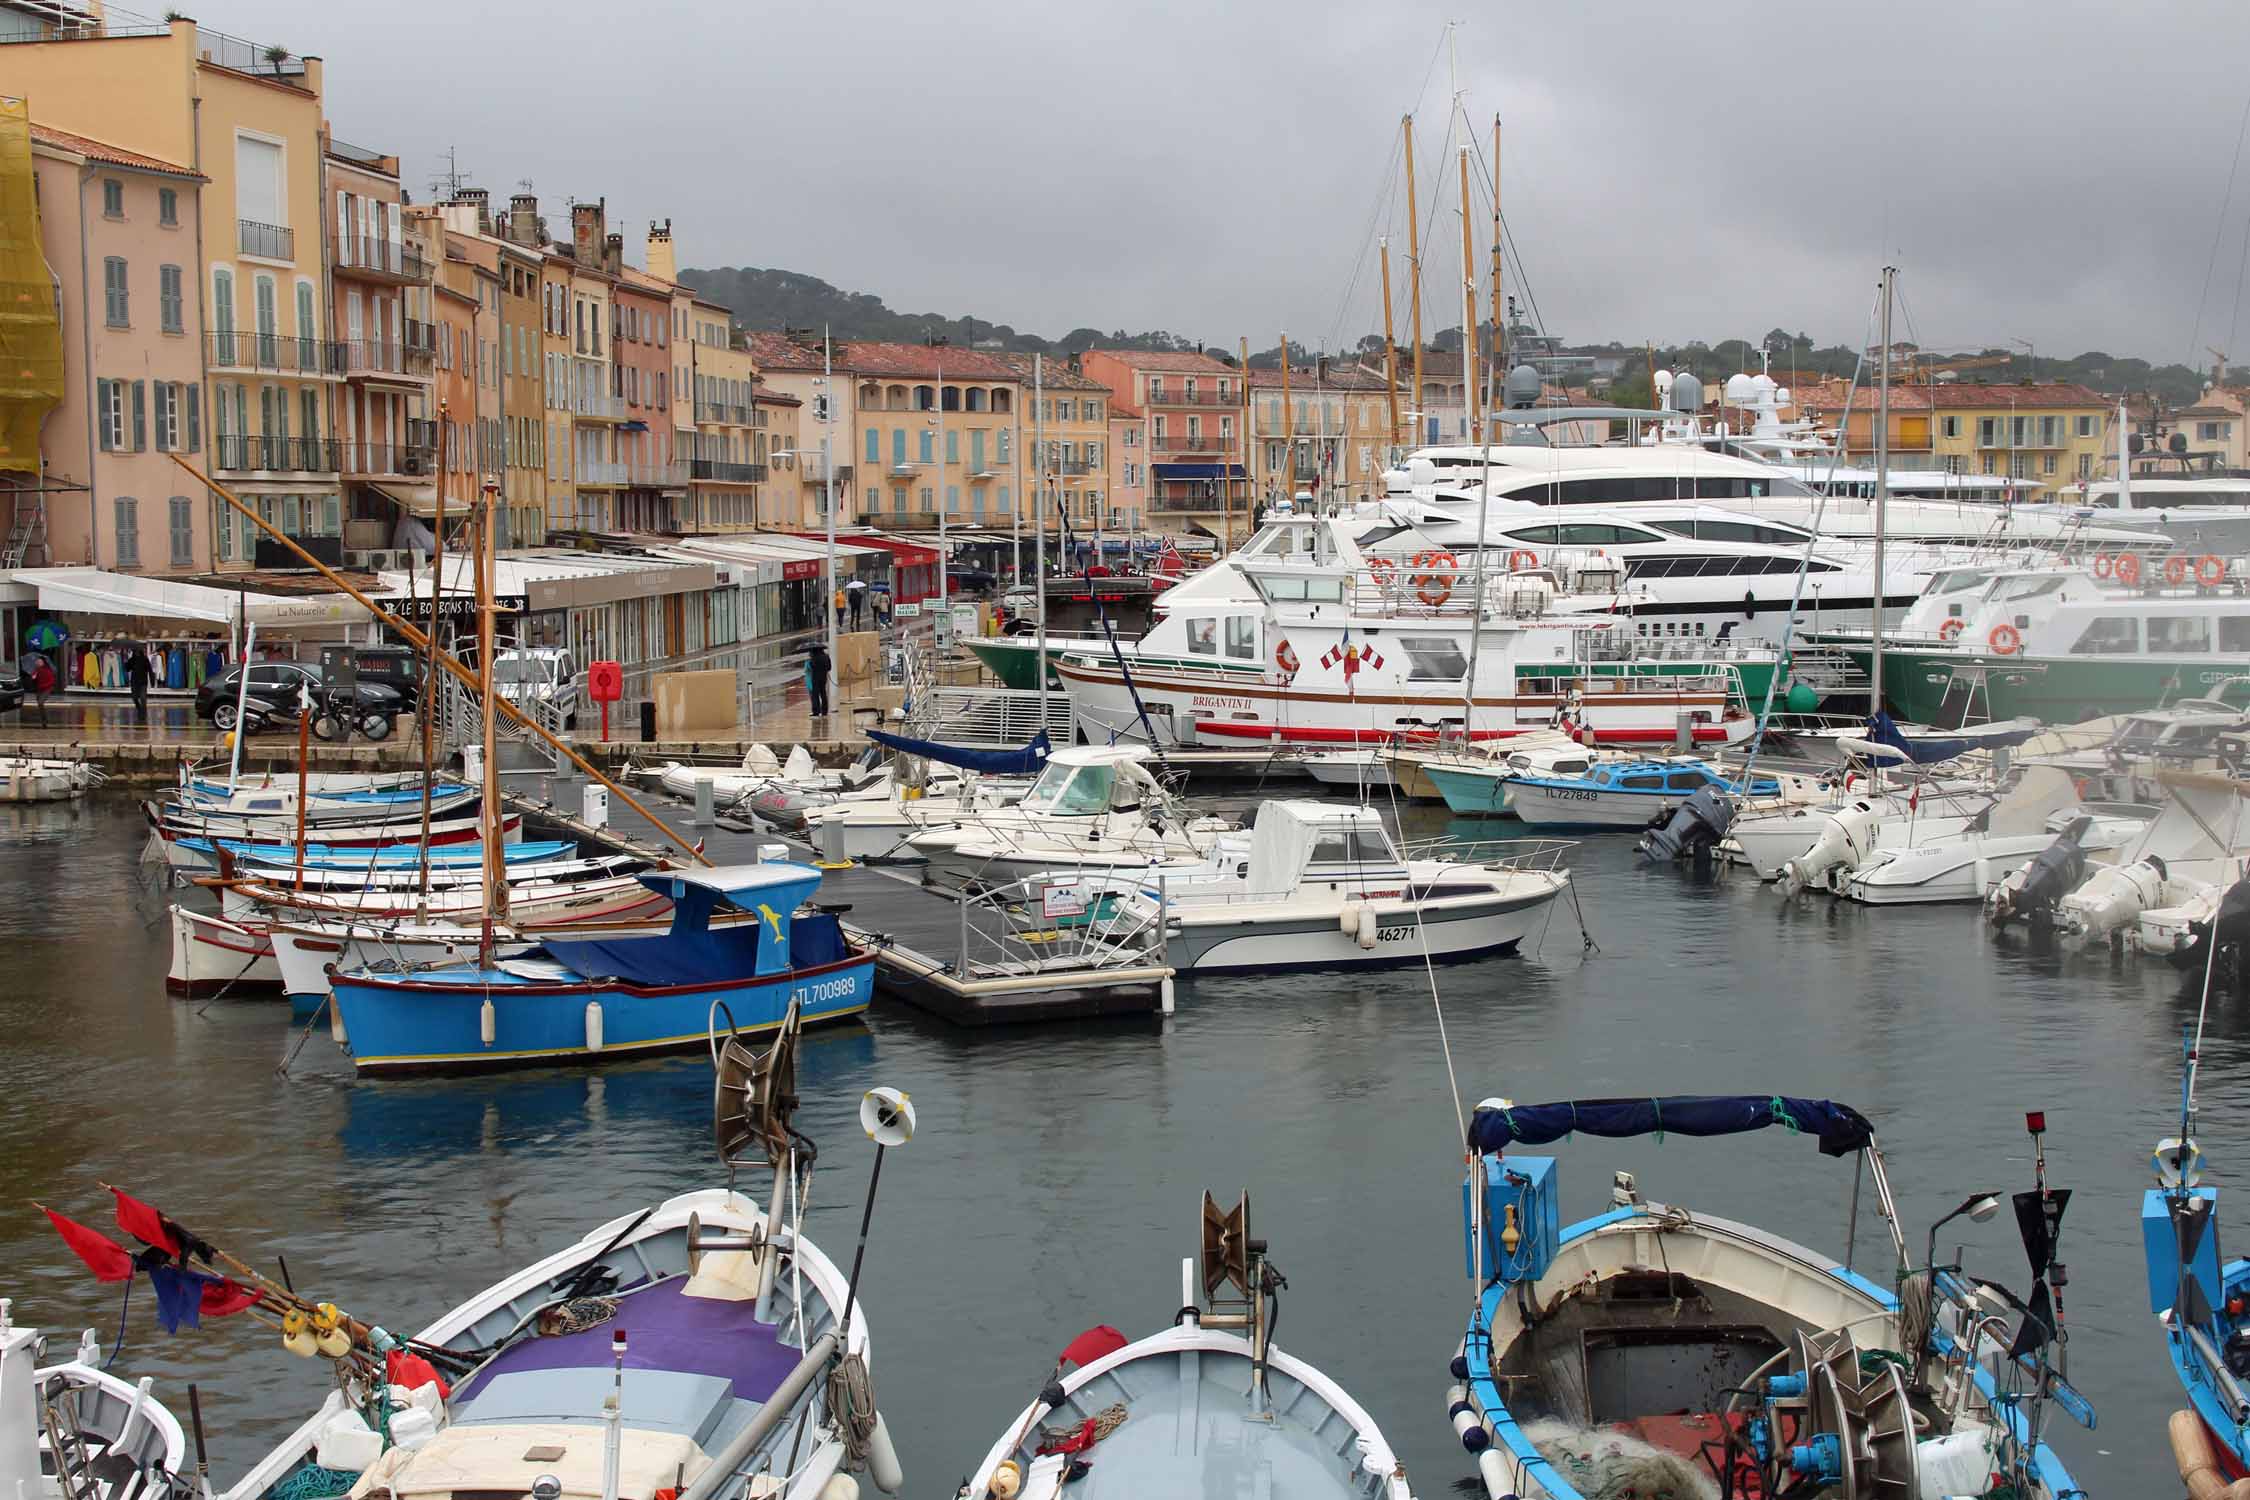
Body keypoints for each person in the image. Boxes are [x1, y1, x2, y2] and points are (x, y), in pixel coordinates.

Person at [123, 640, 153, 723]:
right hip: (134, 681)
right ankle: (140, 709)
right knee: (135, 698)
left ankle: (143, 714)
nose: (136, 652)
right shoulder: (132, 659)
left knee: (143, 698)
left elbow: (149, 670)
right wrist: (125, 662)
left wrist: (152, 680)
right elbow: (127, 669)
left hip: (143, 681)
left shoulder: (145, 659)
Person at [805, 639, 831, 721]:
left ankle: (816, 711)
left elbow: (812, 667)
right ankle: (824, 711)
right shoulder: (826, 657)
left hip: (815, 678)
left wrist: (811, 661)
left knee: (815, 695)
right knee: (823, 694)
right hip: (823, 678)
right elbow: (829, 668)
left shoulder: (814, 658)